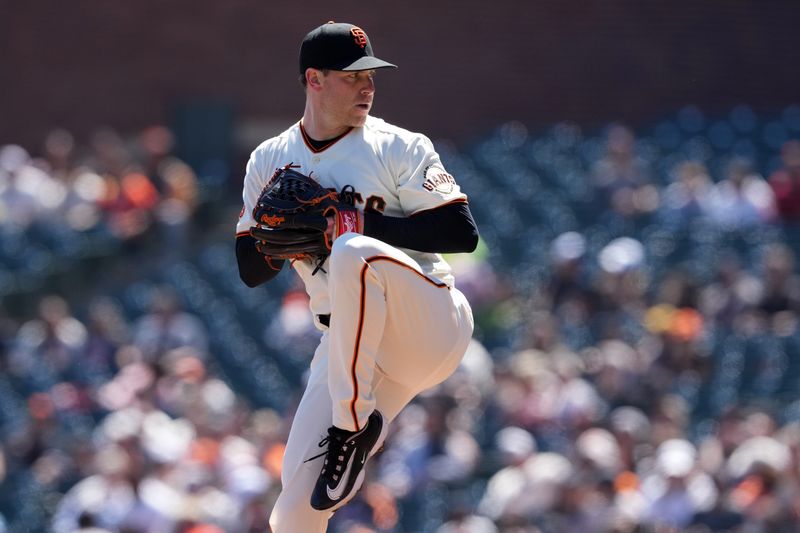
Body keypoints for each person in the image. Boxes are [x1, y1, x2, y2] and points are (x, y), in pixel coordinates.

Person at [234, 21, 478, 532]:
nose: (368, 85)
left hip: (426, 323)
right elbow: (250, 270)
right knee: (292, 514)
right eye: (352, 76)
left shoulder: (399, 145)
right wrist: (282, 240)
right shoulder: (270, 160)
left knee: (352, 249)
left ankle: (353, 428)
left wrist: (352, 223)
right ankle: (355, 422)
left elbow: (461, 231)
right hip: (351, 347)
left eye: (372, 75)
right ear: (314, 80)